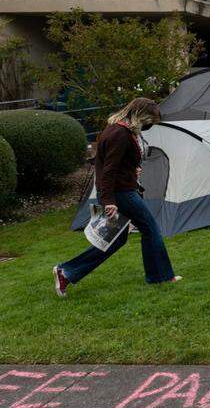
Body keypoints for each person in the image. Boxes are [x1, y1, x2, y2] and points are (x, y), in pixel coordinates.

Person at [52, 98, 180, 297]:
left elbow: (113, 165)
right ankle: (161, 276)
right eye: (149, 121)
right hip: (122, 194)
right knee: (150, 228)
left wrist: (131, 171)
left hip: (122, 189)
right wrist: (108, 201)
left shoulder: (116, 129)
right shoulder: (120, 134)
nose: (148, 126)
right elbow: (108, 171)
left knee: (115, 240)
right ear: (139, 116)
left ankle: (66, 272)